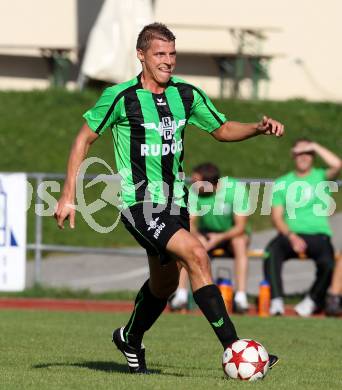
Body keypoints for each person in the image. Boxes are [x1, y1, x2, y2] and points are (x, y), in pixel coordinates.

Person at [55, 23, 284, 374]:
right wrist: (68, 194)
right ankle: (237, 349)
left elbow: (221, 129)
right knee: (196, 253)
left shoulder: (186, 95)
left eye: (172, 53)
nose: (168, 61)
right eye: (160, 53)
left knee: (164, 286)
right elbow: (83, 139)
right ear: (141, 55)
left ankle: (129, 337)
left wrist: (256, 128)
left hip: (177, 202)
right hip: (138, 203)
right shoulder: (121, 97)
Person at [264, 138, 341, 317]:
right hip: (291, 235)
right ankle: (276, 302)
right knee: (271, 251)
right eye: (299, 153)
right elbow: (276, 217)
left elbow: (337, 164)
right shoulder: (282, 182)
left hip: (318, 235)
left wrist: (314, 145)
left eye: (307, 153)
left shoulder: (321, 177)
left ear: (313, 156)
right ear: (293, 156)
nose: (303, 157)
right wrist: (291, 236)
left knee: (328, 263)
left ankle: (312, 301)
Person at [170, 162, 250, 313]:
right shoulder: (193, 192)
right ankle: (180, 295)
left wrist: (219, 238)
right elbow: (190, 222)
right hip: (206, 234)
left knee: (239, 242)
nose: (192, 185)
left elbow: (240, 226)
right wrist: (199, 236)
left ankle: (241, 296)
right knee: (187, 243)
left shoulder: (235, 189)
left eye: (196, 182)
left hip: (231, 234)